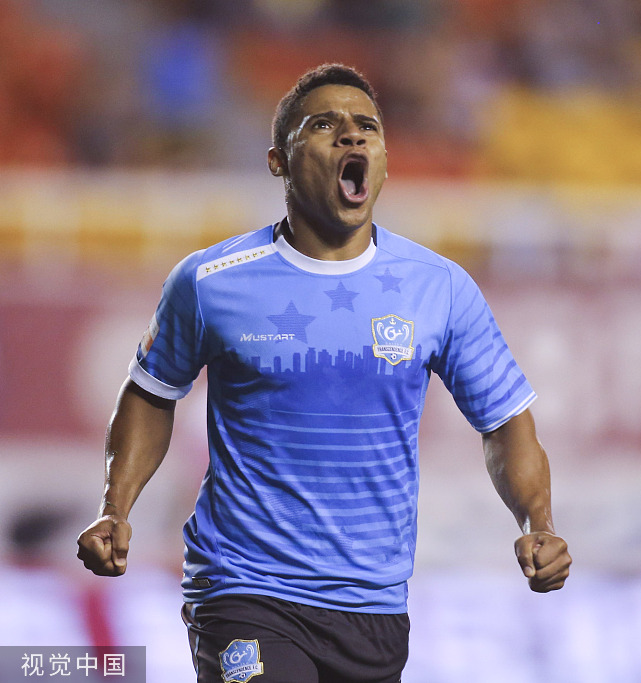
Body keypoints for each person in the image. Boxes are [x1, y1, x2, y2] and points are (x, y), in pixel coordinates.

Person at [76, 63, 571, 683]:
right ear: (278, 162)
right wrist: (115, 507)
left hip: (373, 606)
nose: (351, 135)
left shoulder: (439, 288)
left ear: (383, 159)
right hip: (245, 587)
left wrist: (538, 524)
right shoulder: (210, 281)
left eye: (367, 126)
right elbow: (151, 393)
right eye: (323, 125)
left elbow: (504, 421)